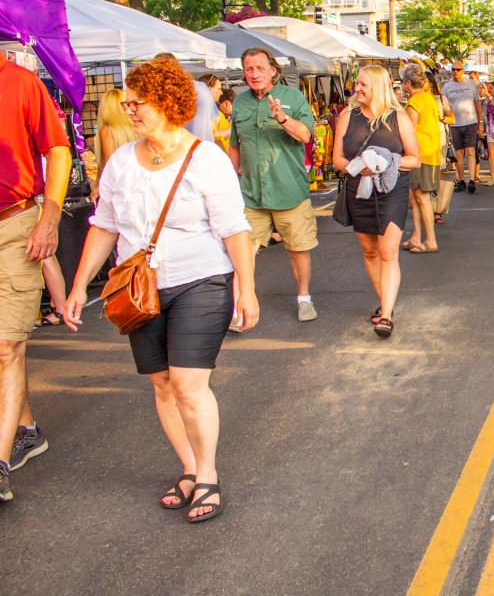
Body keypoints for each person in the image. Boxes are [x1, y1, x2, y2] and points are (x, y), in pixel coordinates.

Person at [62, 54, 258, 523]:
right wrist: (77, 286)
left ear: (168, 103)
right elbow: (104, 226)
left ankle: (207, 475)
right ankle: (189, 468)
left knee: (189, 384)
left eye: (139, 102)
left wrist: (245, 289)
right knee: (162, 385)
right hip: (140, 287)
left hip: (201, 281)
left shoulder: (205, 159)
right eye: (126, 103)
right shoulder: (121, 163)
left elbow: (235, 230)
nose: (129, 110)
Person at [0, 53, 70, 503]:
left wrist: (50, 217)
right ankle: (26, 428)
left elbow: (58, 151)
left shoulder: (21, 81)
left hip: (13, 226)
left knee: (6, 346)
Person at [228, 48, 319, 322]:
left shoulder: (293, 98)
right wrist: (228, 184)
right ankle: (239, 307)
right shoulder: (240, 104)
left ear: (272, 70)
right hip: (251, 194)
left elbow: (305, 135)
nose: (253, 74)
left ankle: (304, 297)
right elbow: (235, 146)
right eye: (248, 69)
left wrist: (282, 118)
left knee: (297, 248)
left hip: (289, 191)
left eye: (259, 68)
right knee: (243, 252)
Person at [332, 65, 420, 337]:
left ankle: (385, 316)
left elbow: (414, 159)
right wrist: (358, 166)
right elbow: (336, 160)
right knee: (370, 252)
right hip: (359, 191)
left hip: (391, 191)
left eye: (362, 85)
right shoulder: (347, 117)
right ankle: (386, 304)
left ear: (378, 88)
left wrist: (386, 163)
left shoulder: (399, 118)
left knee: (388, 252)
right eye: (357, 84)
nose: (356, 89)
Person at [402, 64, 452, 252]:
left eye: (403, 83)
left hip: (419, 154)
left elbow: (409, 131)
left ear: (408, 83)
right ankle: (416, 237)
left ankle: (430, 240)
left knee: (421, 197)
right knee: (416, 196)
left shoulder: (414, 102)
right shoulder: (428, 98)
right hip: (430, 151)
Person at [442, 62, 484, 194]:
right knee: (459, 153)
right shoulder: (447, 87)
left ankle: (471, 180)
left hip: (470, 123)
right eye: (453, 69)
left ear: (462, 71)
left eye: (458, 69)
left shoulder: (470, 84)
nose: (455, 71)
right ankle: (461, 181)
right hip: (454, 124)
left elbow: (477, 104)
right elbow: (443, 105)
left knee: (471, 151)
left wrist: (480, 121)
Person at [187, 74, 220, 144]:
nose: (221, 92)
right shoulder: (207, 111)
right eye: (219, 89)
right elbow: (214, 134)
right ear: (208, 89)